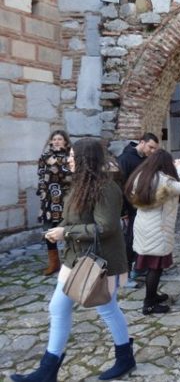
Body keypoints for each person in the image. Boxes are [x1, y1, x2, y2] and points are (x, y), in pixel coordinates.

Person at [11, 138, 135, 381]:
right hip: (75, 258)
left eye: (71, 156)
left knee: (107, 308)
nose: (68, 160)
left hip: (101, 261)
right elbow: (72, 217)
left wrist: (66, 233)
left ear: (84, 159)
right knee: (58, 307)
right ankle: (48, 368)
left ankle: (125, 357)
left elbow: (107, 227)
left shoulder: (107, 188)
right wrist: (58, 229)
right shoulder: (80, 184)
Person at [125, 150, 180, 315]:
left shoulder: (141, 177)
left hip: (143, 226)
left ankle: (153, 295)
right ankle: (149, 304)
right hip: (158, 229)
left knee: (150, 265)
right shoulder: (164, 181)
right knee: (155, 267)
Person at [117, 132, 160, 286]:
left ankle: (139, 267)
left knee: (141, 239)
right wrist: (123, 212)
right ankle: (125, 276)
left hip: (142, 208)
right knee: (129, 241)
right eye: (150, 147)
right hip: (129, 208)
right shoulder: (125, 159)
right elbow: (120, 186)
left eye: (154, 149)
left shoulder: (147, 159)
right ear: (142, 142)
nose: (152, 151)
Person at [36, 130, 72, 276]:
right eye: (54, 139)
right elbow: (41, 175)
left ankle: (71, 262)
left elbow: (69, 176)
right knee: (48, 231)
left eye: (60, 139)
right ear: (51, 141)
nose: (56, 141)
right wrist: (43, 192)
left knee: (68, 230)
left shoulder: (70, 157)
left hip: (65, 199)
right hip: (49, 200)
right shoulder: (44, 156)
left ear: (65, 142)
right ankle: (54, 263)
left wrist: (56, 164)